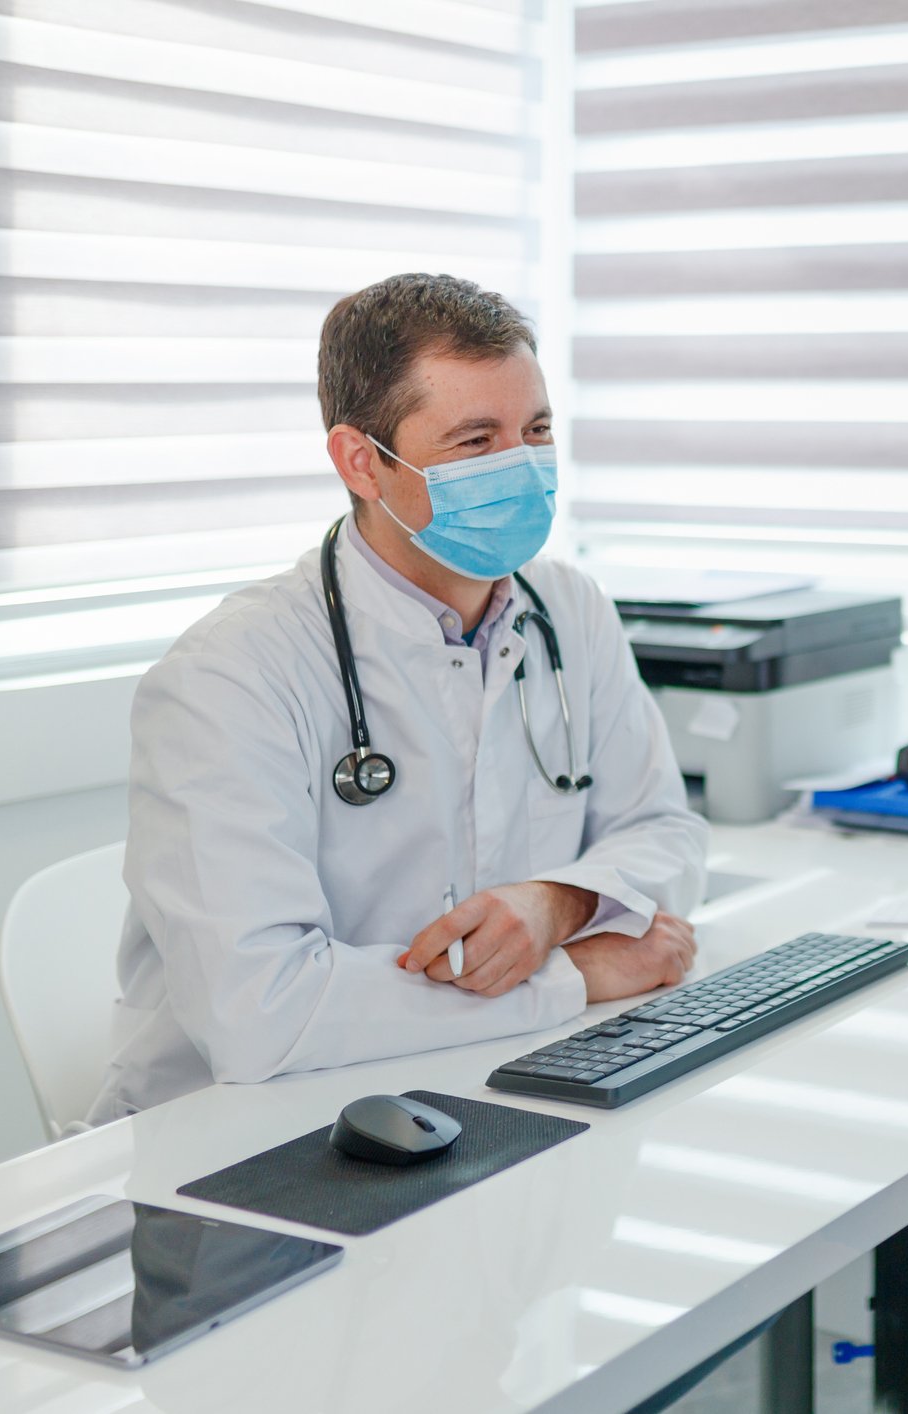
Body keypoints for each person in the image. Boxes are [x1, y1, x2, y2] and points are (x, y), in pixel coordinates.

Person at [88, 274, 707, 1122]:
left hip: (481, 1089)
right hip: (241, 1137)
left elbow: (663, 831)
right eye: (474, 441)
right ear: (361, 461)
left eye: (535, 431)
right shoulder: (230, 676)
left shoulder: (569, 609)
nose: (520, 468)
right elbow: (261, 1015)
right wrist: (572, 972)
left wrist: (556, 903)